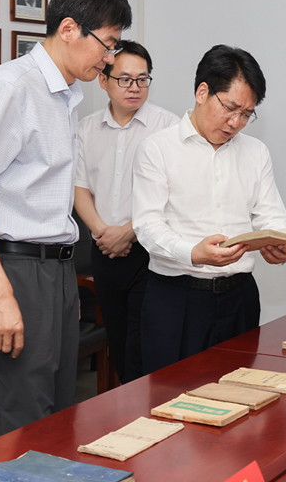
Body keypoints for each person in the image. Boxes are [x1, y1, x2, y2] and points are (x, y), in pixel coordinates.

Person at [0, 0, 132, 443]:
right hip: (13, 272)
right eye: (107, 44)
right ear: (69, 29)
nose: (110, 58)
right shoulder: (13, 86)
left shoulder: (66, 95)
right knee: (17, 427)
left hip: (54, 272)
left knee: (55, 422)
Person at [132, 44, 286, 374]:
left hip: (239, 298)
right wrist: (193, 253)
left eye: (246, 114)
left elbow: (270, 213)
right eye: (230, 108)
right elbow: (147, 225)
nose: (236, 122)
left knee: (240, 393)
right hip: (177, 298)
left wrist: (278, 241)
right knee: (170, 395)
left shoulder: (256, 152)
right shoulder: (157, 149)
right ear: (202, 92)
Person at [74, 40, 179, 383]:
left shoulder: (169, 127)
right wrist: (103, 232)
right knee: (118, 344)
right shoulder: (86, 128)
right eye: (125, 79)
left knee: (142, 348)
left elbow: (174, 195)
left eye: (142, 79)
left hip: (149, 252)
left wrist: (128, 232)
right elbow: (79, 187)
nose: (135, 87)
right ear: (103, 80)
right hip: (104, 250)